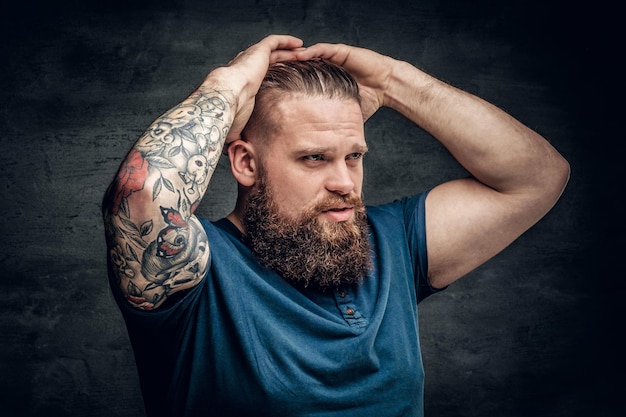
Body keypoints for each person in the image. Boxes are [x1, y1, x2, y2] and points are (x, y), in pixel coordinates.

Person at [102, 35, 569, 417]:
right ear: (245, 162)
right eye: (314, 158)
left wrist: (393, 81)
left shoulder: (391, 243)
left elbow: (538, 176)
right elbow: (143, 195)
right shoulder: (195, 272)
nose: (345, 183)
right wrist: (228, 85)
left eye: (354, 157)